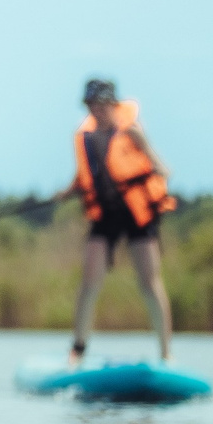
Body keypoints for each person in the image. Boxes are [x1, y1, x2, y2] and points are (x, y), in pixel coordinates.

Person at [59, 78, 175, 366]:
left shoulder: (132, 132)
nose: (96, 111)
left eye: (101, 104)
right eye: (91, 105)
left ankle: (165, 353)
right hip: (105, 215)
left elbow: (164, 171)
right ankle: (78, 349)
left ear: (113, 104)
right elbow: (87, 176)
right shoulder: (85, 137)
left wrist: (145, 146)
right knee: (89, 281)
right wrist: (69, 190)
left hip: (137, 213)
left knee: (150, 281)